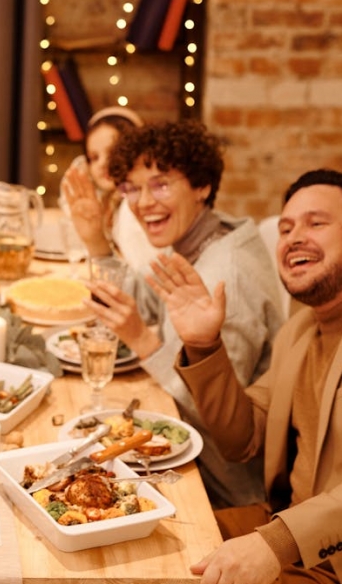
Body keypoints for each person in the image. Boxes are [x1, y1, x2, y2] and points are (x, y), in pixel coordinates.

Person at [149, 168, 342, 584]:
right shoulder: (300, 330)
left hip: (325, 560)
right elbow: (243, 439)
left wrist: (277, 542)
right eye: (286, 227)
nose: (293, 237)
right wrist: (204, 345)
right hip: (285, 535)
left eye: (317, 223)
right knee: (143, 548)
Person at [85, 119, 283, 509]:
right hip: (193, 456)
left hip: (227, 490)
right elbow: (143, 301)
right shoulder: (203, 236)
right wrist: (95, 237)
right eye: (133, 188)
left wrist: (143, 340)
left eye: (160, 184)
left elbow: (219, 422)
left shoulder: (226, 275)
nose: (143, 203)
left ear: (202, 186)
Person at [60, 106, 158, 274]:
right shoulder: (106, 202)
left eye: (113, 152)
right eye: (94, 157)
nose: (103, 164)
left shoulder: (135, 208)